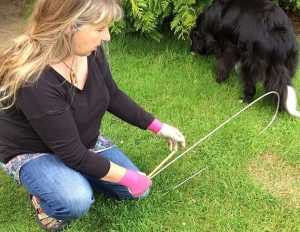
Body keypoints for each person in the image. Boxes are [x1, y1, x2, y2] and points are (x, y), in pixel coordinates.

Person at [0, 0, 186, 230]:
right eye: (99, 29)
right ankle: (43, 195)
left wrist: (159, 126)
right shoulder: (35, 79)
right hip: (33, 149)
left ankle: (72, 174)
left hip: (81, 140)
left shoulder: (90, 52)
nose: (107, 36)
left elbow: (113, 95)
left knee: (138, 191)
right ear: (68, 27)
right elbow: (74, 154)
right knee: (75, 199)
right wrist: (129, 177)